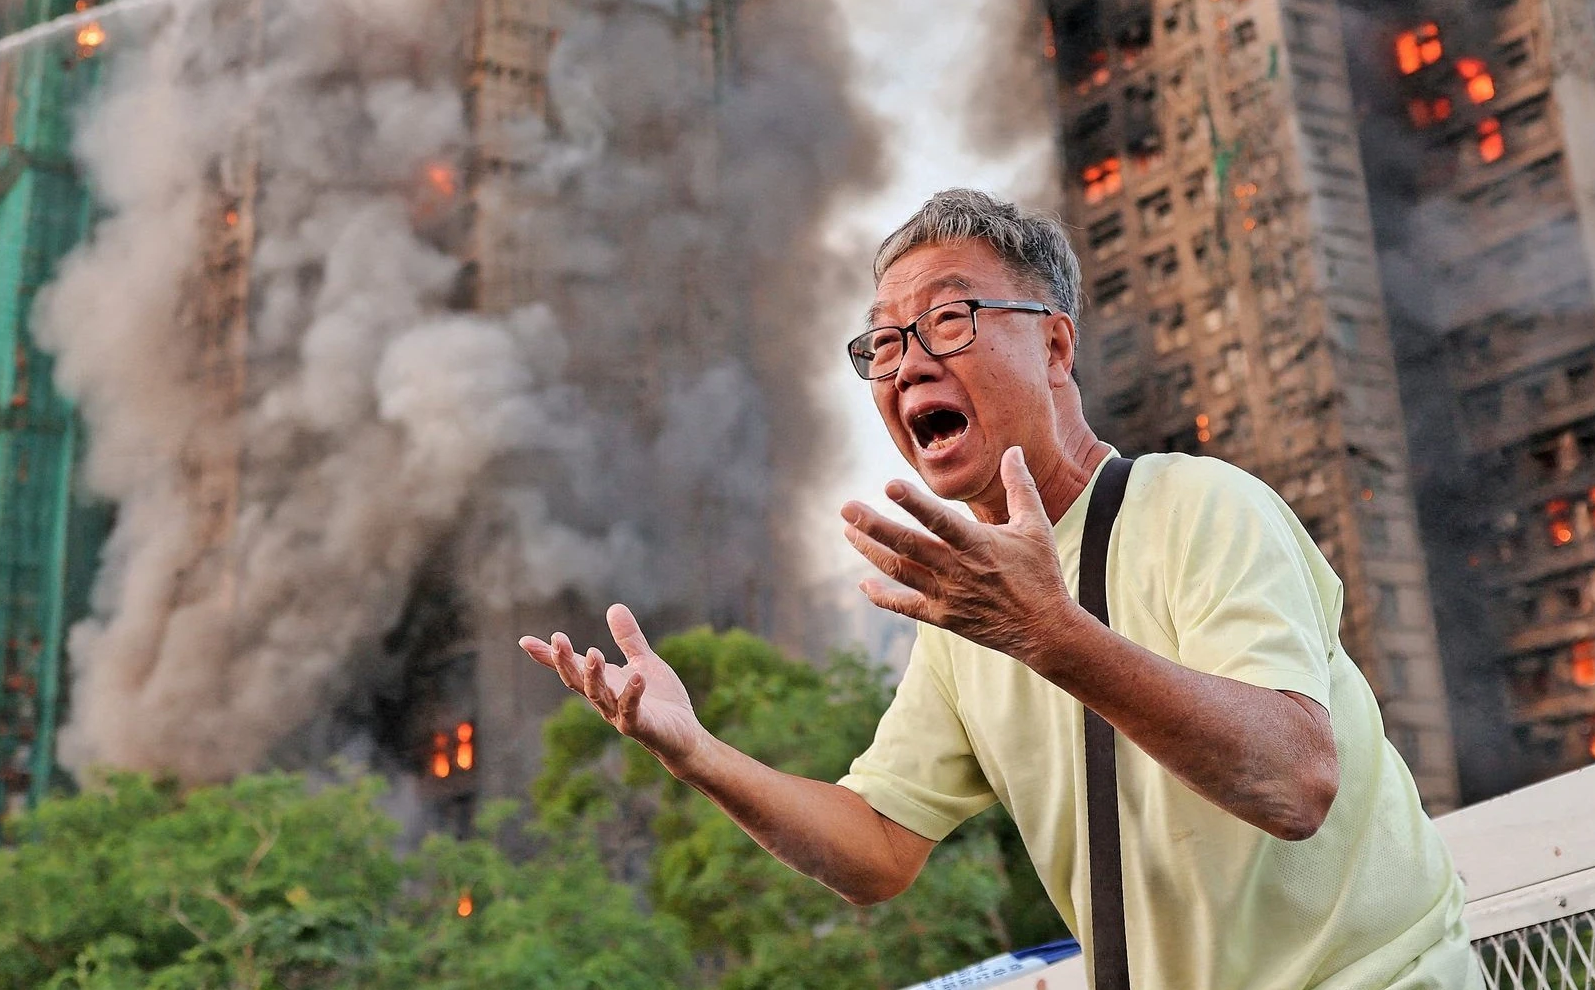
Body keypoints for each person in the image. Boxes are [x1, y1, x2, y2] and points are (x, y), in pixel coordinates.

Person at [522, 188, 1478, 989]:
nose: (909, 363)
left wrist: (1049, 633)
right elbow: (877, 849)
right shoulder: (967, 618)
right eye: (884, 343)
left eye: (949, 320)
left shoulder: (1201, 506)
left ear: (1056, 346)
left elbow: (1295, 782)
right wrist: (695, 752)